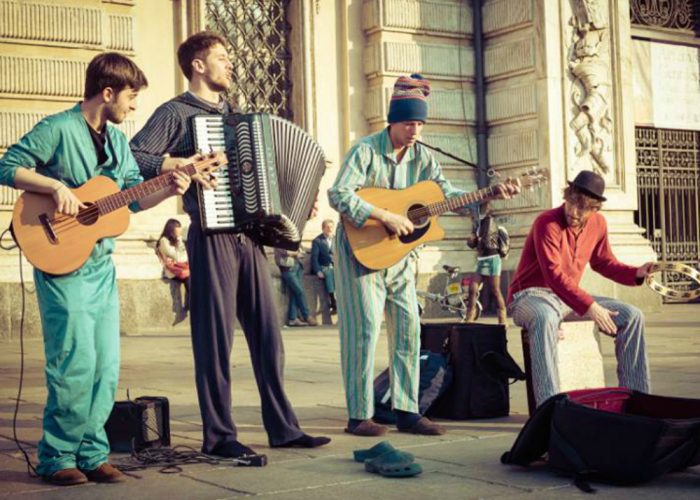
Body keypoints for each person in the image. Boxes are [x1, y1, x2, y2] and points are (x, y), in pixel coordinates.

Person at [129, 31, 330, 457]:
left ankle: (284, 428)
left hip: (250, 237)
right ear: (198, 65)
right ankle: (219, 436)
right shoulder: (176, 113)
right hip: (211, 234)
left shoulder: (239, 118)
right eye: (222, 57)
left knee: (268, 336)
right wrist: (177, 164)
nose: (231, 64)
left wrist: (293, 205)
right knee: (215, 338)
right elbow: (135, 156)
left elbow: (265, 176)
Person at [0, 53, 190, 486]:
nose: (134, 106)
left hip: (101, 266)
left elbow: (131, 198)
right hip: (62, 262)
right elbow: (7, 167)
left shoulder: (119, 141)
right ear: (108, 93)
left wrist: (169, 188)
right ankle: (56, 457)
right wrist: (55, 186)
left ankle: (92, 453)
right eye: (131, 97)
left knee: (106, 364)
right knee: (74, 362)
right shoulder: (57, 128)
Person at [328, 74, 521, 437]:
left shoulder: (425, 158)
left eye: (419, 123)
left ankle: (406, 409)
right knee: (364, 330)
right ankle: (358, 415)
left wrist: (487, 194)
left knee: (409, 330)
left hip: (402, 256)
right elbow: (338, 194)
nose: (415, 130)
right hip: (360, 252)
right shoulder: (365, 150)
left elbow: (445, 195)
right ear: (392, 121)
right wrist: (383, 214)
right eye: (408, 123)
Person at [507, 170, 655, 407]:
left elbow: (604, 262)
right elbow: (553, 275)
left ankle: (636, 400)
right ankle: (550, 407)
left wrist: (636, 272)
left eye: (583, 208)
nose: (574, 212)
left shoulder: (598, 224)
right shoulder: (547, 222)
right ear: (567, 196)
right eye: (572, 202)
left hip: (566, 298)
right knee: (545, 317)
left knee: (632, 316)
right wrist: (590, 306)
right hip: (528, 296)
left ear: (595, 209)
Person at [466, 201, 507, 324]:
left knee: (495, 290)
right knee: (473, 288)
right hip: (481, 260)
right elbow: (474, 244)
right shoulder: (477, 224)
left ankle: (502, 319)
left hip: (492, 259)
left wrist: (476, 239)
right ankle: (469, 317)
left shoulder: (489, 220)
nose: (473, 214)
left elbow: (487, 242)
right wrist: (471, 241)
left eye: (475, 211)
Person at [274, 248, 318, 327]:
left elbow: (300, 248)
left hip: (298, 268)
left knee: (295, 293)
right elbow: (284, 251)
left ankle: (293, 319)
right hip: (288, 269)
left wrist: (302, 251)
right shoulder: (279, 238)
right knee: (299, 292)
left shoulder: (294, 236)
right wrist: (296, 253)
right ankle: (306, 316)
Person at [157, 218, 190, 320]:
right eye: (177, 228)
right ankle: (191, 306)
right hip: (172, 272)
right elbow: (178, 257)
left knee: (193, 279)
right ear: (171, 228)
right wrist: (180, 241)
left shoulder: (176, 240)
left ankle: (192, 305)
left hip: (180, 270)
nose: (179, 230)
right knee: (190, 279)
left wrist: (179, 241)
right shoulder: (164, 241)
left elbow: (185, 256)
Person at [310, 219, 336, 314]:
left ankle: (338, 302)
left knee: (335, 273)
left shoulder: (336, 239)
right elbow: (314, 258)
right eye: (327, 227)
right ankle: (333, 302)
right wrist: (318, 271)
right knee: (329, 273)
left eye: (331, 227)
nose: (330, 229)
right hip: (323, 267)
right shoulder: (317, 241)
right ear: (323, 228)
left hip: (335, 267)